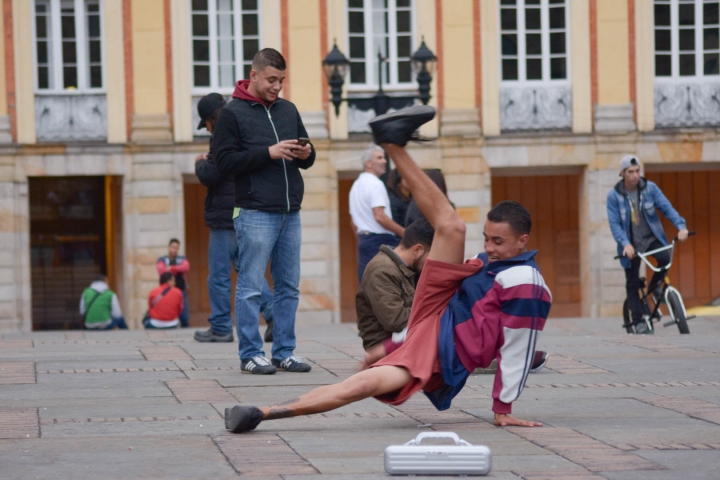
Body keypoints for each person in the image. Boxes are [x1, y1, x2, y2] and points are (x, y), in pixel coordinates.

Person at [224, 105, 552, 434]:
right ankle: (392, 142)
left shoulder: (529, 286)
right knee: (452, 227)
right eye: (488, 239)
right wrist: (390, 346)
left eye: (499, 242)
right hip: (435, 312)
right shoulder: (488, 263)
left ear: (522, 241)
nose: (490, 249)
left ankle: (260, 413)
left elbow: (517, 347)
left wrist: (502, 407)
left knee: (357, 386)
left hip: (436, 352)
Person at [214, 48, 315, 375]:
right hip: (255, 210)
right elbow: (223, 162)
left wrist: (306, 152)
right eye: (272, 79)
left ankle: (284, 351)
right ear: (254, 75)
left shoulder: (288, 110)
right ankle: (250, 354)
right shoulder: (232, 113)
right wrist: (268, 153)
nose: (277, 87)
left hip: (290, 211)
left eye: (282, 80)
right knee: (251, 285)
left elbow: (308, 160)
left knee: (289, 286)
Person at [192, 93, 274, 344]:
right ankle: (274, 316)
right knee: (248, 269)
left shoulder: (221, 134)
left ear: (211, 119)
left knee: (218, 273)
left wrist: (200, 164)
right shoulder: (242, 126)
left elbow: (214, 174)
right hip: (242, 209)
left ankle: (220, 326)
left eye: (205, 123)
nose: (206, 129)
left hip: (224, 215)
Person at [607, 155, 688, 334]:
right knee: (633, 283)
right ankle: (638, 322)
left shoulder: (650, 189)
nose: (635, 175)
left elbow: (667, 208)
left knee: (665, 258)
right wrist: (625, 244)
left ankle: (655, 288)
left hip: (651, 239)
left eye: (637, 171)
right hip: (631, 245)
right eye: (630, 172)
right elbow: (615, 224)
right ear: (622, 173)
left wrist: (681, 226)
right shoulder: (614, 196)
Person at [356, 219, 433, 351]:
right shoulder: (382, 270)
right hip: (385, 349)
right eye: (432, 256)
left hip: (406, 342)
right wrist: (434, 308)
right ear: (418, 250)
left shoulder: (404, 267)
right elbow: (396, 321)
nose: (433, 263)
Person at [349, 145, 406, 282]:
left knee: (366, 287)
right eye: (379, 158)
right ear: (368, 163)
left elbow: (353, 221)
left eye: (384, 157)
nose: (384, 161)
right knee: (384, 288)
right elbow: (380, 216)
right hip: (380, 241)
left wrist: (362, 239)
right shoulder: (376, 184)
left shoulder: (355, 185)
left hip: (364, 240)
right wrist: (405, 233)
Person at [156, 239, 190, 327]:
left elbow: (186, 267)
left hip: (181, 290)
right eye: (173, 247)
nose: (175, 250)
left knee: (184, 315)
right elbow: (161, 270)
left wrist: (172, 268)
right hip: (167, 292)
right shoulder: (162, 259)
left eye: (177, 248)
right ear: (168, 247)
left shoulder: (181, 258)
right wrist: (178, 269)